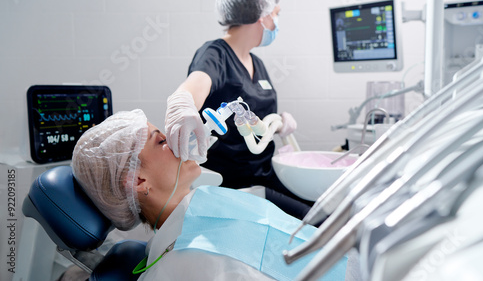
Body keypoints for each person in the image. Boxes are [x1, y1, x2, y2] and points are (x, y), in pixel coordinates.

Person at [72, 110, 348, 280]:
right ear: (139, 181)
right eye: (161, 140)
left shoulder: (206, 200)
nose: (177, 139)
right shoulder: (181, 265)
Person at [164, 0, 309, 219]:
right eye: (276, 13)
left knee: (322, 212)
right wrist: (182, 105)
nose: (276, 21)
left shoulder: (257, 63)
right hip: (233, 186)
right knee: (315, 224)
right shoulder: (215, 53)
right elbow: (194, 86)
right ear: (261, 15)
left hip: (265, 174)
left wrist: (279, 123)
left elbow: (257, 120)